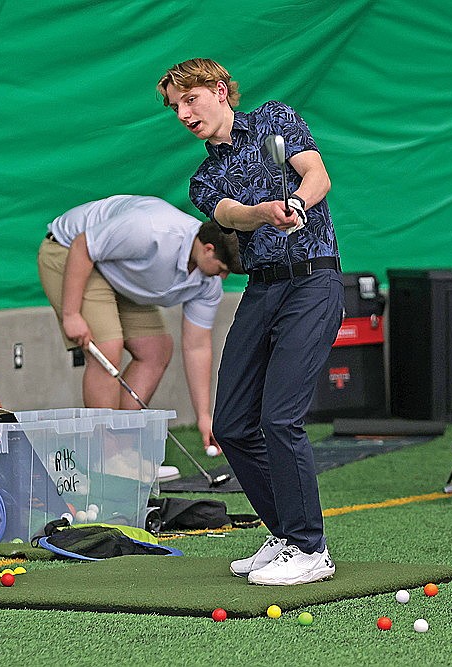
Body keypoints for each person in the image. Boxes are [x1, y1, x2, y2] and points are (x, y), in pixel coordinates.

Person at [158, 58, 344, 585]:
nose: (183, 113)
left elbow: (317, 174)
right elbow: (231, 216)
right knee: (233, 425)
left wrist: (297, 204)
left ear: (219, 90)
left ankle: (311, 549)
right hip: (262, 290)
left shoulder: (275, 118)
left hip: (313, 282)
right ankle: (286, 535)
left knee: (280, 419)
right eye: (175, 106)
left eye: (190, 99)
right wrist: (264, 211)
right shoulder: (203, 177)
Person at [37, 195, 243, 475]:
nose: (222, 279)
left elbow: (197, 347)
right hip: (68, 250)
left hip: (115, 269)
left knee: (156, 349)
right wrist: (72, 315)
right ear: (208, 250)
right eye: (222, 270)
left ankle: (121, 451)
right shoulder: (151, 230)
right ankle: (104, 461)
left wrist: (204, 417)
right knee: (107, 350)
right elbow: (83, 246)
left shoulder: (207, 282)